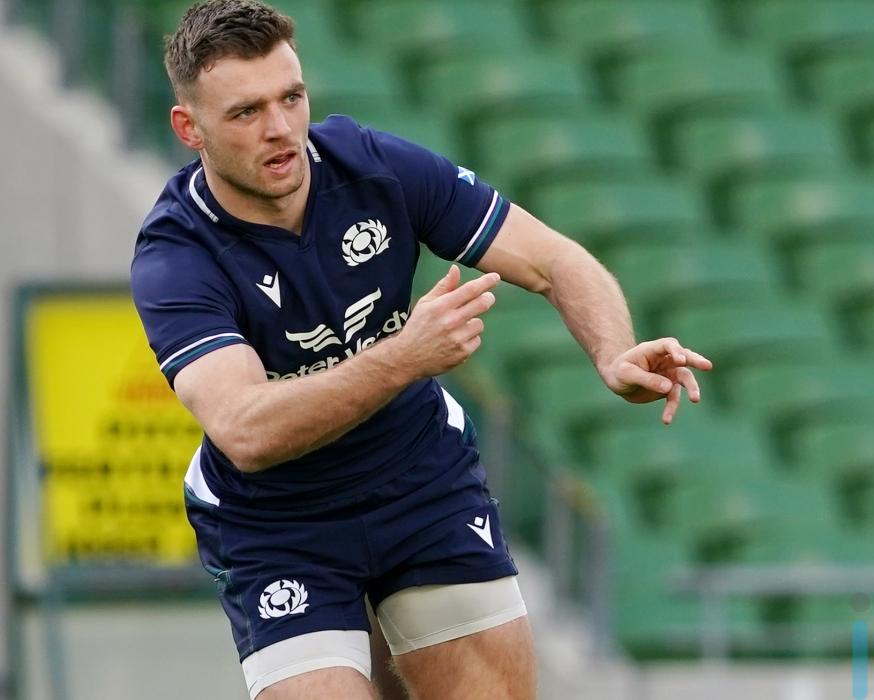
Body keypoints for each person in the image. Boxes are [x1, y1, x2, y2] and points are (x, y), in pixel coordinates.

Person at [129, 1, 712, 698]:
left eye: (291, 97)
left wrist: (612, 353)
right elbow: (246, 431)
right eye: (246, 112)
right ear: (189, 128)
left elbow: (554, 259)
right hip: (278, 525)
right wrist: (406, 357)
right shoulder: (176, 256)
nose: (280, 128)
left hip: (418, 484)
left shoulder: (375, 167)